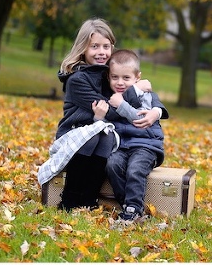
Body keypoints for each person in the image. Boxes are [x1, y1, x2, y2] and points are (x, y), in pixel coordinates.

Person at [53, 18, 161, 210]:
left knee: (106, 136)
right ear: (83, 48)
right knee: (95, 136)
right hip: (73, 134)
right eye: (94, 46)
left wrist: (157, 110)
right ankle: (69, 198)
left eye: (106, 46)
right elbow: (111, 110)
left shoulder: (108, 73)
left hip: (98, 128)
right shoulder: (77, 80)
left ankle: (89, 198)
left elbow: (143, 97)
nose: (101, 52)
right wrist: (134, 90)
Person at [95, 49, 168, 222]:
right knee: (112, 165)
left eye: (126, 78)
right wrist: (98, 117)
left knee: (135, 169)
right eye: (115, 77)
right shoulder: (109, 98)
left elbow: (145, 115)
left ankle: (133, 208)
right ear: (108, 77)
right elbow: (107, 119)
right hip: (120, 146)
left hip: (146, 146)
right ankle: (130, 206)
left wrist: (156, 112)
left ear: (137, 77)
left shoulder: (147, 95)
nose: (120, 82)